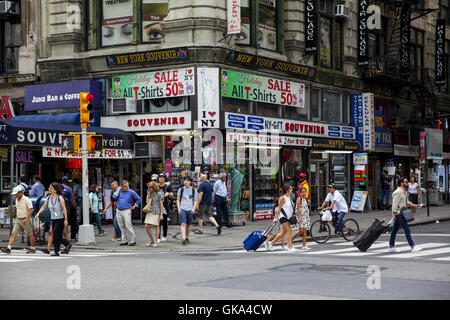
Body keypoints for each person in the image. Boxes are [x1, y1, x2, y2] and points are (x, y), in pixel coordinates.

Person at [35, 183, 72, 256]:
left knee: (55, 235)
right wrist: (38, 213)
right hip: (53, 219)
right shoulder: (48, 198)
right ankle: (67, 244)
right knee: (57, 235)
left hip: (60, 219)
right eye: (49, 188)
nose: (49, 190)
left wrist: (66, 219)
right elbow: (43, 207)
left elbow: (64, 209)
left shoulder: (60, 198)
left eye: (51, 188)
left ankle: (56, 251)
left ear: (55, 190)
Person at [389, 177, 423, 253]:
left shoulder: (403, 191)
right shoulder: (398, 192)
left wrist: (416, 205)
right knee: (407, 230)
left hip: (401, 213)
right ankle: (413, 247)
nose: (407, 183)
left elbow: (407, 202)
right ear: (401, 183)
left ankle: (391, 246)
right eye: (406, 182)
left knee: (394, 230)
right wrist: (394, 215)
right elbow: (394, 205)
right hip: (399, 214)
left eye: (407, 182)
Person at [1, 186, 36, 254]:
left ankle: (33, 248)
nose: (15, 195)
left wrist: (26, 219)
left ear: (20, 193)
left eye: (16, 194)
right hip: (18, 219)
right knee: (13, 233)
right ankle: (9, 248)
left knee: (30, 234)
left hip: (26, 219)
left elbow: (31, 209)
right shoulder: (17, 199)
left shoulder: (26, 199)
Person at [266, 184, 297, 252]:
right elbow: (279, 209)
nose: (292, 189)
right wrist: (276, 218)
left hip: (288, 217)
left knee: (283, 233)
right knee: (289, 231)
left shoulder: (289, 197)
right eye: (290, 188)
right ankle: (290, 246)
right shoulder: (282, 198)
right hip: (283, 217)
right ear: (287, 190)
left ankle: (271, 243)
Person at [112, 180, 141, 246]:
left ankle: (132, 240)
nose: (127, 187)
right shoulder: (118, 191)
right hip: (119, 210)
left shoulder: (131, 192)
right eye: (125, 186)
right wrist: (118, 190)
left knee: (128, 225)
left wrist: (135, 206)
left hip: (126, 210)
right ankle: (124, 240)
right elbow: (114, 197)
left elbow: (138, 198)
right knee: (121, 226)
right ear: (121, 186)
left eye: (128, 186)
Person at [177, 177, 199, 245]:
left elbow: (195, 201)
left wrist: (193, 208)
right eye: (184, 180)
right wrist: (179, 208)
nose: (185, 182)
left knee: (189, 225)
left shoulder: (193, 190)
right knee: (183, 223)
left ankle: (186, 237)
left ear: (190, 182)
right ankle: (183, 238)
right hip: (183, 208)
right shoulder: (181, 190)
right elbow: (178, 200)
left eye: (187, 180)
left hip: (190, 209)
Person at [144, 181, 164, 247]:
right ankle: (151, 240)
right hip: (150, 210)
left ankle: (156, 241)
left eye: (150, 187)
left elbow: (161, 204)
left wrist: (161, 214)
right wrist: (147, 194)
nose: (149, 188)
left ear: (153, 187)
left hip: (156, 211)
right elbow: (147, 202)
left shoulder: (159, 193)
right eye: (148, 187)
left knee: (156, 226)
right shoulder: (150, 193)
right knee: (146, 226)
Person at [61, 176, 79, 240]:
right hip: (69, 209)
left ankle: (61, 236)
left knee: (61, 222)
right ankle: (72, 237)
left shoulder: (57, 188)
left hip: (60, 209)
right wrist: (76, 209)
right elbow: (72, 200)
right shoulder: (69, 189)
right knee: (73, 222)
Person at [158, 174, 173, 242]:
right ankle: (158, 237)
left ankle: (164, 235)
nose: (161, 179)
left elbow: (172, 195)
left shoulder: (167, 186)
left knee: (164, 222)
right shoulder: (156, 186)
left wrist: (168, 194)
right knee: (157, 222)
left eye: (162, 177)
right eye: (160, 177)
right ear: (158, 179)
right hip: (157, 206)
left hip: (165, 206)